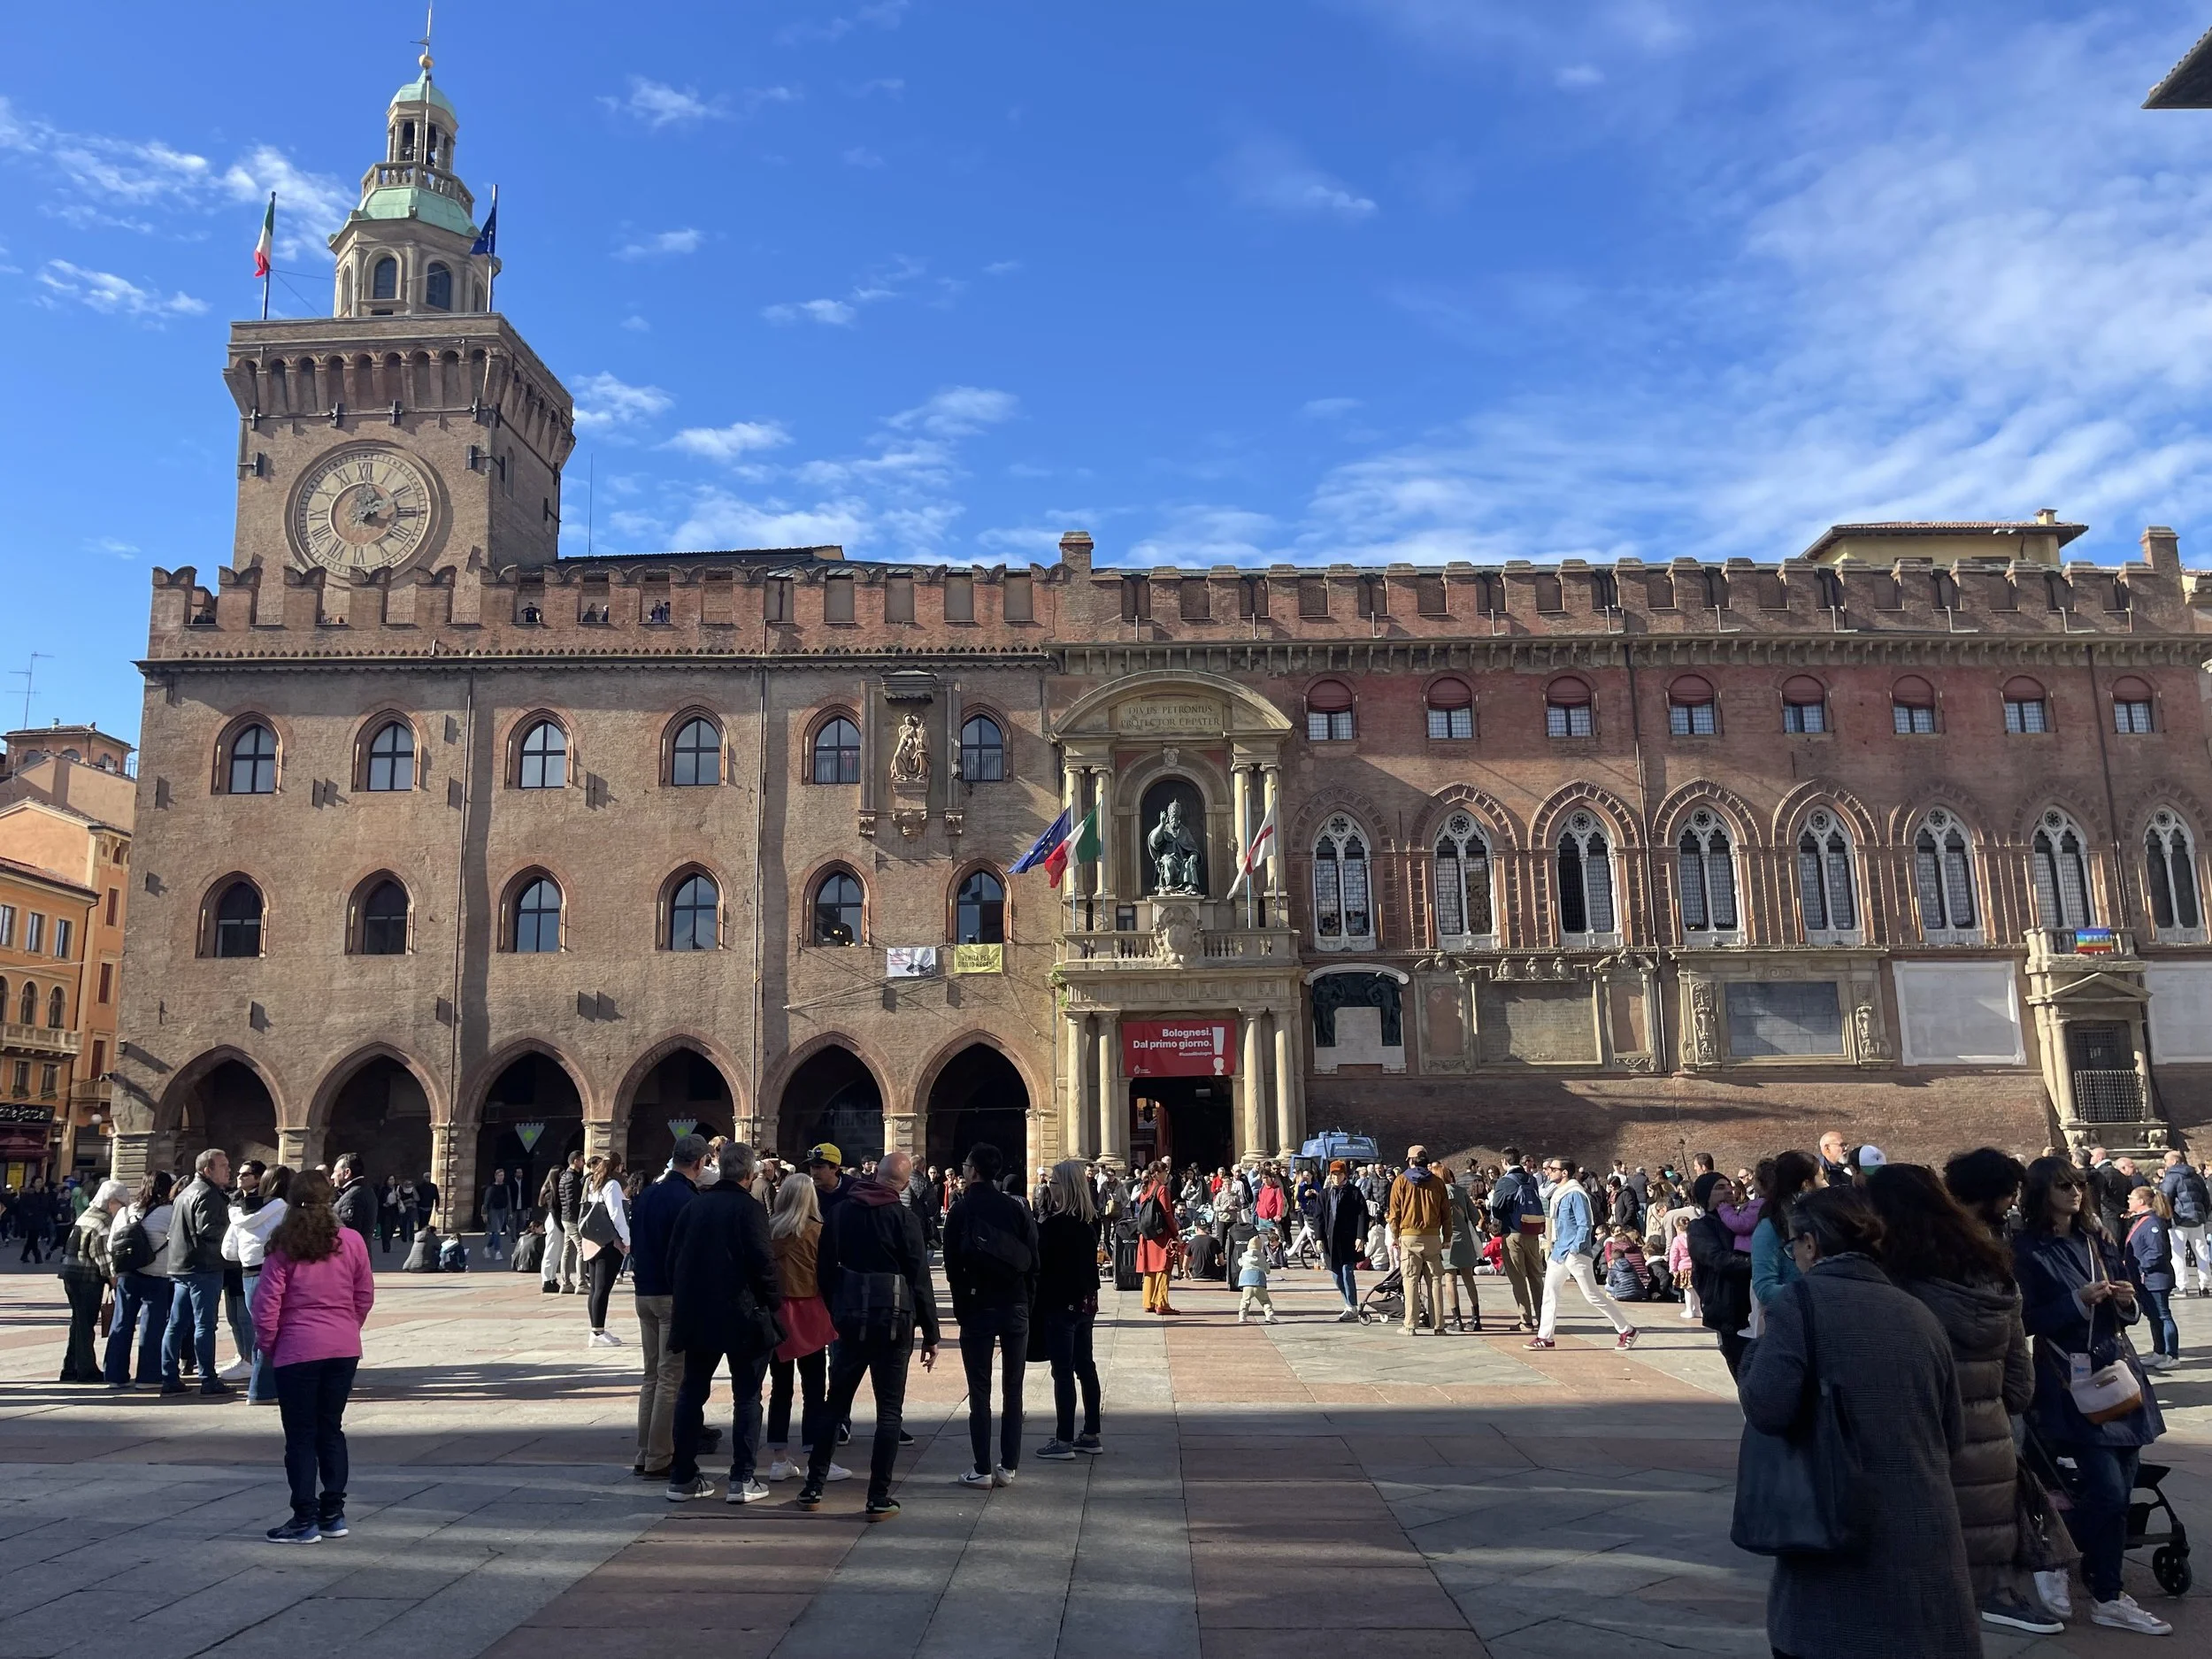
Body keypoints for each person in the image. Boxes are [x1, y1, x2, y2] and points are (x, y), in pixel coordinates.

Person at [1739, 1186, 1980, 1658]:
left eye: (1794, 1245)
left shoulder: (1797, 1304)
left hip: (1838, 1528)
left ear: (1810, 1244)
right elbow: (1952, 1434)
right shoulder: (1917, 1312)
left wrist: (1755, 1349)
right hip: (1923, 1533)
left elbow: (1766, 1407)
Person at [1867, 1164, 2057, 1636]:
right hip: (1990, 1424)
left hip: (1921, 1427)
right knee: (1986, 1513)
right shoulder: (1991, 1267)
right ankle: (1997, 1592)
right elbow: (2020, 1381)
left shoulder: (1889, 1279)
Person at [2014, 1155, 2170, 1634]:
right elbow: (2025, 1320)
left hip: (2118, 1371)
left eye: (2077, 1184)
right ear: (2042, 1194)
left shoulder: (2096, 1238)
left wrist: (2125, 1302)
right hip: (2068, 1376)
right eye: (2063, 1186)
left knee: (2121, 1489)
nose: (2074, 1194)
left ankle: (2106, 1591)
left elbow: (2131, 1306)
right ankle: (2058, 1564)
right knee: (2104, 1489)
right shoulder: (2026, 1248)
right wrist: (2075, 1301)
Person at [801, 1148, 940, 1521]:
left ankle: (813, 1487)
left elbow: (825, 1270)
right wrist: (930, 1332)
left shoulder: (842, 1212)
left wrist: (835, 1308)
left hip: (848, 1319)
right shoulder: (903, 1218)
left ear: (875, 1175)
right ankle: (878, 1496)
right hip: (894, 1321)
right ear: (904, 1183)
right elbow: (919, 1279)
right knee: (889, 1411)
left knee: (835, 1403)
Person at [253, 1171, 375, 1544]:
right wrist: (347, 1327)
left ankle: (303, 1518)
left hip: (297, 1348)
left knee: (301, 1436)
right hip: (342, 1347)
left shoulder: (284, 1245)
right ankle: (333, 1513)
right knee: (331, 1429)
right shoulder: (352, 1241)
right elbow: (364, 1294)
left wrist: (271, 1344)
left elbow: (265, 1305)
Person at [664, 1141, 784, 1504]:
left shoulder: (695, 1205)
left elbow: (674, 1260)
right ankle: (741, 1479)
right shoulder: (749, 1209)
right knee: (747, 1396)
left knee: (691, 1392)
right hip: (742, 1316)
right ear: (749, 1174)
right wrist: (773, 1301)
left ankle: (682, 1476)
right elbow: (764, 1262)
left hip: (698, 1315)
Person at [942, 1141, 1038, 1488]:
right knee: (1014, 1388)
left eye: (967, 1165)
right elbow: (1033, 1262)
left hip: (977, 1305)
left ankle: (981, 1468)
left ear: (973, 1171)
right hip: (1014, 1305)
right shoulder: (1016, 1209)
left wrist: (960, 1306)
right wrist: (1026, 1302)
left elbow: (951, 1265)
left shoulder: (961, 1209)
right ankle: (1008, 1466)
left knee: (979, 1390)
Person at [628, 1134, 706, 1479]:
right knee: (671, 1377)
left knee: (652, 1376)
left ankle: (644, 1451)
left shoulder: (647, 1194)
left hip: (643, 1292)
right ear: (700, 1163)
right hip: (670, 1296)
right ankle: (661, 1457)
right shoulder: (687, 1199)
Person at [764, 1166, 847, 1484]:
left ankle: (779, 1458)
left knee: (780, 1388)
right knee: (814, 1387)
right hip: (810, 1308)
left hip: (778, 1312)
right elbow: (827, 1275)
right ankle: (815, 1455)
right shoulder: (818, 1229)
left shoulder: (771, 1230)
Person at [1526, 1156, 1636, 1351]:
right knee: (1550, 1292)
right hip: (1559, 1251)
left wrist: (1576, 1248)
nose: (1548, 1171)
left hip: (1574, 1252)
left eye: (1553, 1169)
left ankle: (1627, 1330)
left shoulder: (1575, 1194)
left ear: (1565, 1173)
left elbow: (1584, 1223)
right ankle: (1545, 1337)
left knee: (1592, 1295)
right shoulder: (1560, 1193)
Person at [1034, 1158, 1104, 1460]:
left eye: (1054, 1182)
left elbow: (1042, 1264)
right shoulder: (1092, 1220)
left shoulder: (1055, 1224)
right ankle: (1091, 1433)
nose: (1050, 1186)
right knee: (1085, 1366)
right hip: (1086, 1301)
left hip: (1061, 1301)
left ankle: (1063, 1439)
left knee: (1062, 1371)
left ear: (1067, 1186)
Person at [162, 1148, 235, 1397]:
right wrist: (232, 1233)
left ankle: (169, 1376)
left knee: (177, 1324)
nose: (229, 1170)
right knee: (204, 1324)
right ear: (207, 1170)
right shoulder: (207, 1194)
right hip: (203, 1266)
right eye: (223, 1166)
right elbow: (209, 1230)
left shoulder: (186, 1192)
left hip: (181, 1265)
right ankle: (208, 1379)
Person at [226, 1165, 292, 1404]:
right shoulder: (285, 1210)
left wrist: (247, 1253)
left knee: (260, 1330)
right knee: (274, 1330)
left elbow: (228, 1250)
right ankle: (262, 1389)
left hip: (247, 1274)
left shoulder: (238, 1211)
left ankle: (261, 1383)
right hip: (274, 1271)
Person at [104, 1171, 175, 1387]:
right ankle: (148, 1376)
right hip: (157, 1275)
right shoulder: (170, 1212)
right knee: (152, 1326)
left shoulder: (125, 1212)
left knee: (121, 1323)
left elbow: (110, 1246)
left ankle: (115, 1375)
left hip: (126, 1274)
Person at [1686, 1171, 1755, 1376]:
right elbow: (1717, 1259)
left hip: (1755, 1301)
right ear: (1706, 1196)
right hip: (1727, 1304)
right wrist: (1758, 1263)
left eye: (1728, 1186)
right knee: (1743, 1367)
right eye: (1719, 1187)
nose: (1728, 1191)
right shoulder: (1700, 1227)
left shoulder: (1745, 1218)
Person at [60, 1178, 127, 1383]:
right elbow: (104, 1260)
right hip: (87, 1278)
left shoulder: (87, 1215)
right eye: (122, 1204)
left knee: (79, 1322)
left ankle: (70, 1368)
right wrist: (115, 1282)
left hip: (71, 1274)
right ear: (112, 1202)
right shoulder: (103, 1222)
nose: (123, 1209)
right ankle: (86, 1369)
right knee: (85, 1324)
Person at [1386, 1144, 1451, 1336]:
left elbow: (1394, 1213)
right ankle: (1438, 1324)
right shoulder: (1438, 1183)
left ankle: (1410, 1324)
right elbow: (1446, 1213)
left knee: (1410, 1280)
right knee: (1436, 1280)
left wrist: (1396, 1235)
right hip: (1432, 1236)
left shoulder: (1401, 1181)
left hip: (1409, 1235)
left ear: (1411, 1161)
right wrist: (1447, 1237)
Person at [1749, 1151, 1819, 1310]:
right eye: (1822, 1178)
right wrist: (1816, 1293)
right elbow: (1765, 1289)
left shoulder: (1822, 1219)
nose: (1827, 1184)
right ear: (1806, 1184)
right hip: (1793, 1320)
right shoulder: (1770, 1227)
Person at [1487, 1148, 1546, 1333]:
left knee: (1518, 1277)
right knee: (1536, 1277)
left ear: (1504, 1161)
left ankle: (1526, 1321)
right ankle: (1544, 1318)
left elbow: (1497, 1209)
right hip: (1532, 1231)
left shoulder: (1505, 1182)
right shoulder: (1531, 1179)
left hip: (1513, 1233)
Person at [2124, 1185, 2180, 1371]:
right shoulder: (2141, 1220)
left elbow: (2156, 1252)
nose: (2128, 1201)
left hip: (2155, 1278)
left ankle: (2172, 1355)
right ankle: (2159, 1351)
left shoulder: (2153, 1223)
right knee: (2154, 1317)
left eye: (2131, 1198)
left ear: (2141, 1202)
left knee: (2163, 1315)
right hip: (2144, 1279)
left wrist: (2141, 1267)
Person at [580, 1152, 629, 1348]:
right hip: (608, 1241)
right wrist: (626, 1239)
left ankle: (596, 1329)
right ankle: (597, 1332)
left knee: (595, 1288)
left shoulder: (592, 1183)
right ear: (618, 1167)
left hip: (592, 1239)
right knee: (602, 1288)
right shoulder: (612, 1185)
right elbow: (617, 1214)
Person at [1316, 1159, 1370, 1320]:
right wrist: (1319, 1237)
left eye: (1338, 1174)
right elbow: (1318, 1217)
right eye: (1333, 1174)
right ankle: (1347, 1303)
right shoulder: (1325, 1194)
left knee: (1347, 1272)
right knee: (1336, 1274)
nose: (1335, 1177)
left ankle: (1352, 1306)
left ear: (1344, 1175)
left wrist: (1361, 1236)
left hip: (1348, 1238)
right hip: (1330, 1239)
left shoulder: (1354, 1192)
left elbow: (1363, 1215)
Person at [1943, 1147, 2027, 1242]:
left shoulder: (1987, 1233)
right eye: (2012, 1195)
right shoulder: (1948, 1240)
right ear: (1991, 1192)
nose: (2015, 1203)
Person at [2157, 1148, 2210, 1296]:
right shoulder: (2196, 1176)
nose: (2165, 1164)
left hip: (2178, 1219)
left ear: (2174, 1161)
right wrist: (2203, 1214)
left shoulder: (2172, 1176)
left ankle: (2182, 1286)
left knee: (2178, 1253)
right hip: (2197, 1218)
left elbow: (2165, 1197)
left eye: (2166, 1161)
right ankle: (2204, 1285)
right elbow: (2206, 1198)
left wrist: (2166, 1217)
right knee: (2201, 1252)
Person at [1440, 1160, 1484, 1332]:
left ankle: (1457, 1320)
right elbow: (1475, 1216)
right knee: (1468, 1278)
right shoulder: (1461, 1191)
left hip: (1447, 1238)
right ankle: (1476, 1318)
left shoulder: (1439, 1193)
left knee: (1450, 1279)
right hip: (1464, 1237)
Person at [1133, 1159, 1179, 1316]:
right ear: (1157, 1173)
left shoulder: (1145, 1188)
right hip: (1161, 1235)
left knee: (1150, 1269)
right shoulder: (1162, 1189)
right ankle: (1161, 1303)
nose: (1167, 1175)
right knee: (1164, 1267)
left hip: (1147, 1236)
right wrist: (1176, 1234)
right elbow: (1167, 1213)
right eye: (1165, 1172)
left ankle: (1148, 1302)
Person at [555, 1149, 588, 1295]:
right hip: (572, 1218)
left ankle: (566, 1283)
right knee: (582, 1249)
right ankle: (581, 1283)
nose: (583, 1163)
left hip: (566, 1217)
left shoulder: (566, 1176)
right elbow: (572, 1201)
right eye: (581, 1160)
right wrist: (579, 1217)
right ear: (575, 1160)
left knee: (568, 1251)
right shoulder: (570, 1178)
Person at [1235, 1226, 1278, 1324]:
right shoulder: (1262, 1257)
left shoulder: (1244, 1256)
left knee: (1245, 1301)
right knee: (1265, 1301)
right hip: (1259, 1283)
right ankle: (1269, 1315)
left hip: (1246, 1283)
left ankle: (1242, 1316)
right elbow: (1267, 1270)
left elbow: (1239, 1263)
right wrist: (1267, 1270)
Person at [331, 1156, 374, 1249]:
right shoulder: (366, 1190)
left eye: (335, 1172)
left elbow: (348, 1231)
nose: (332, 1176)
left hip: (350, 1254)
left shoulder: (353, 1196)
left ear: (347, 1173)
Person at [481, 1165, 511, 1262]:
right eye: (499, 1175)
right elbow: (486, 1201)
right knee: (497, 1231)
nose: (501, 1177)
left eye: (502, 1175)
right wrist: (484, 1213)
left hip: (502, 1210)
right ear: (496, 1176)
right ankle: (498, 1252)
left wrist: (509, 1212)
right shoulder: (491, 1188)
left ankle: (487, 1248)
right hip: (493, 1211)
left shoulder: (505, 1187)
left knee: (495, 1232)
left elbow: (508, 1199)